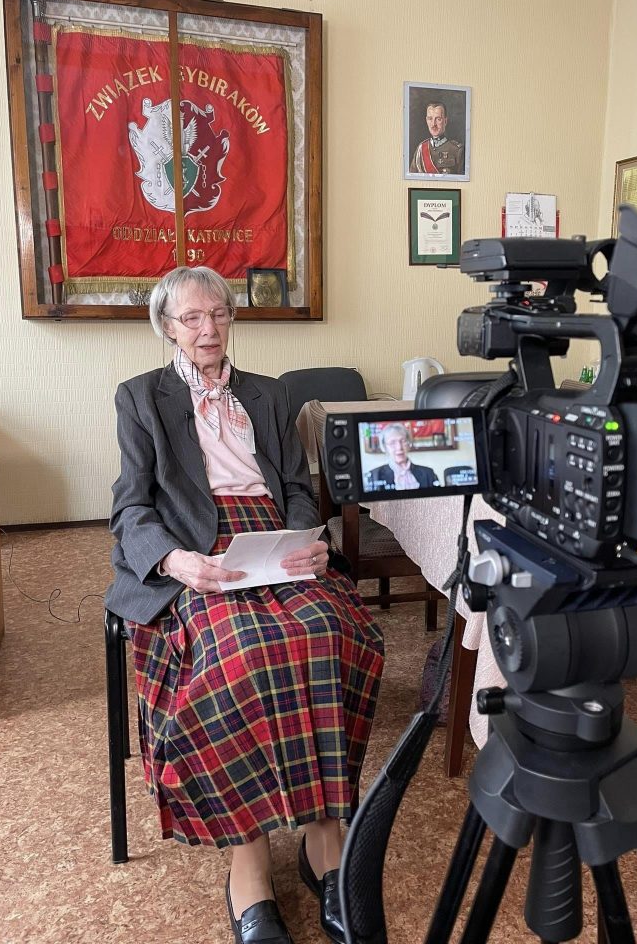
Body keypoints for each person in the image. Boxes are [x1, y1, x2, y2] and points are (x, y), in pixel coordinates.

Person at [105, 265, 384, 944]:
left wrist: (309, 539)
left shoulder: (269, 392)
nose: (209, 329)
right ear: (167, 327)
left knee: (330, 630)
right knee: (242, 654)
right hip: (198, 546)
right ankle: (248, 858)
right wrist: (175, 561)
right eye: (192, 318)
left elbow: (297, 486)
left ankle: (324, 832)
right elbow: (132, 505)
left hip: (271, 535)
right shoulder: (141, 396)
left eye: (220, 314)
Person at [364, 423, 440, 491]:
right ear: (385, 447)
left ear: (409, 444)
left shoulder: (428, 473)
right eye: (392, 443)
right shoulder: (374, 476)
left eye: (403, 441)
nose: (399, 447)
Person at [409, 100, 464, 175]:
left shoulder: (457, 150)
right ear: (426, 120)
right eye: (430, 119)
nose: (433, 124)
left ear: (445, 121)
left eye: (438, 119)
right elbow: (412, 178)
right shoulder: (421, 148)